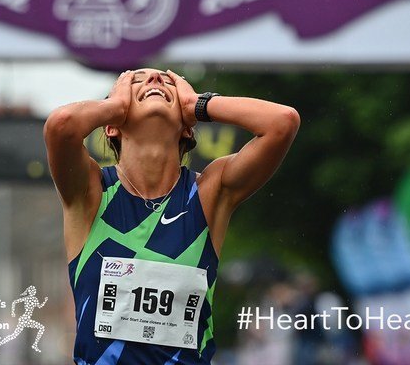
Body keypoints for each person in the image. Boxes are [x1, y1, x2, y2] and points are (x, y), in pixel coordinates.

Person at [44, 68, 299, 364]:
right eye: (137, 82)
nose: (154, 80)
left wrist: (198, 104)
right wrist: (115, 107)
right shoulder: (91, 193)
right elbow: (61, 125)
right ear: (112, 127)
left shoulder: (209, 192)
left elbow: (283, 122)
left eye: (168, 83)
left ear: (187, 127)